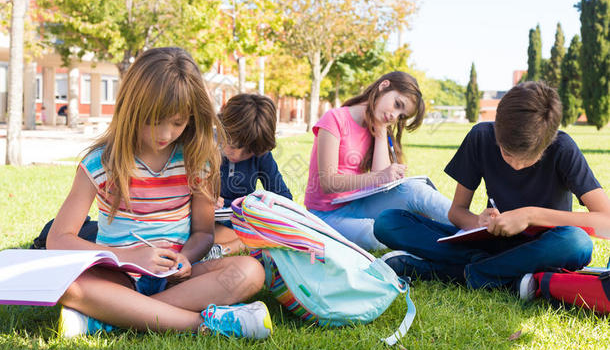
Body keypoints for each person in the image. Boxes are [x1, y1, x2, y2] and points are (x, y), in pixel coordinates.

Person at [46, 47, 272, 339]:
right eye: (153, 121)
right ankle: (201, 325)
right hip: (118, 276)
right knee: (67, 285)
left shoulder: (198, 162)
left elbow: (203, 233)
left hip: (176, 279)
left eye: (178, 122)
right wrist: (129, 256)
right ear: (131, 109)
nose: (165, 134)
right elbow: (58, 239)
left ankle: (113, 317)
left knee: (251, 271)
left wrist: (186, 258)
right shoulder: (100, 163)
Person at [375, 81, 610, 297]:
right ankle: (507, 276)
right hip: (491, 243)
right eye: (506, 152)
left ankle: (457, 273)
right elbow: (456, 212)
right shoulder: (481, 136)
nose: (515, 164)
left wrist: (528, 215)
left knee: (577, 243)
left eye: (528, 159)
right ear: (497, 129)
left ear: (547, 145)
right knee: (388, 222)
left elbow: (606, 221)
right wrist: (478, 222)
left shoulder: (564, 148)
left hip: (543, 247)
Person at [303, 71, 451, 250]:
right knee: (376, 235)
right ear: (383, 86)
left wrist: (381, 132)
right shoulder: (334, 119)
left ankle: (469, 227)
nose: (394, 116)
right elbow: (329, 182)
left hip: (358, 204)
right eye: (397, 104)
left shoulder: (379, 127)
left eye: (401, 116)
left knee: (415, 189)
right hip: (326, 215)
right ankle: (446, 245)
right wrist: (381, 176)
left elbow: (381, 186)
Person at [213, 93, 293, 256]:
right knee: (264, 242)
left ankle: (222, 250)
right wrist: (203, 199)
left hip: (242, 223)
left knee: (275, 234)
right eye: (233, 145)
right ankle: (247, 247)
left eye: (248, 152)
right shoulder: (204, 146)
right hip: (208, 224)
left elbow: (284, 198)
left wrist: (259, 203)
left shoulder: (260, 154)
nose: (237, 155)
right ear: (222, 126)